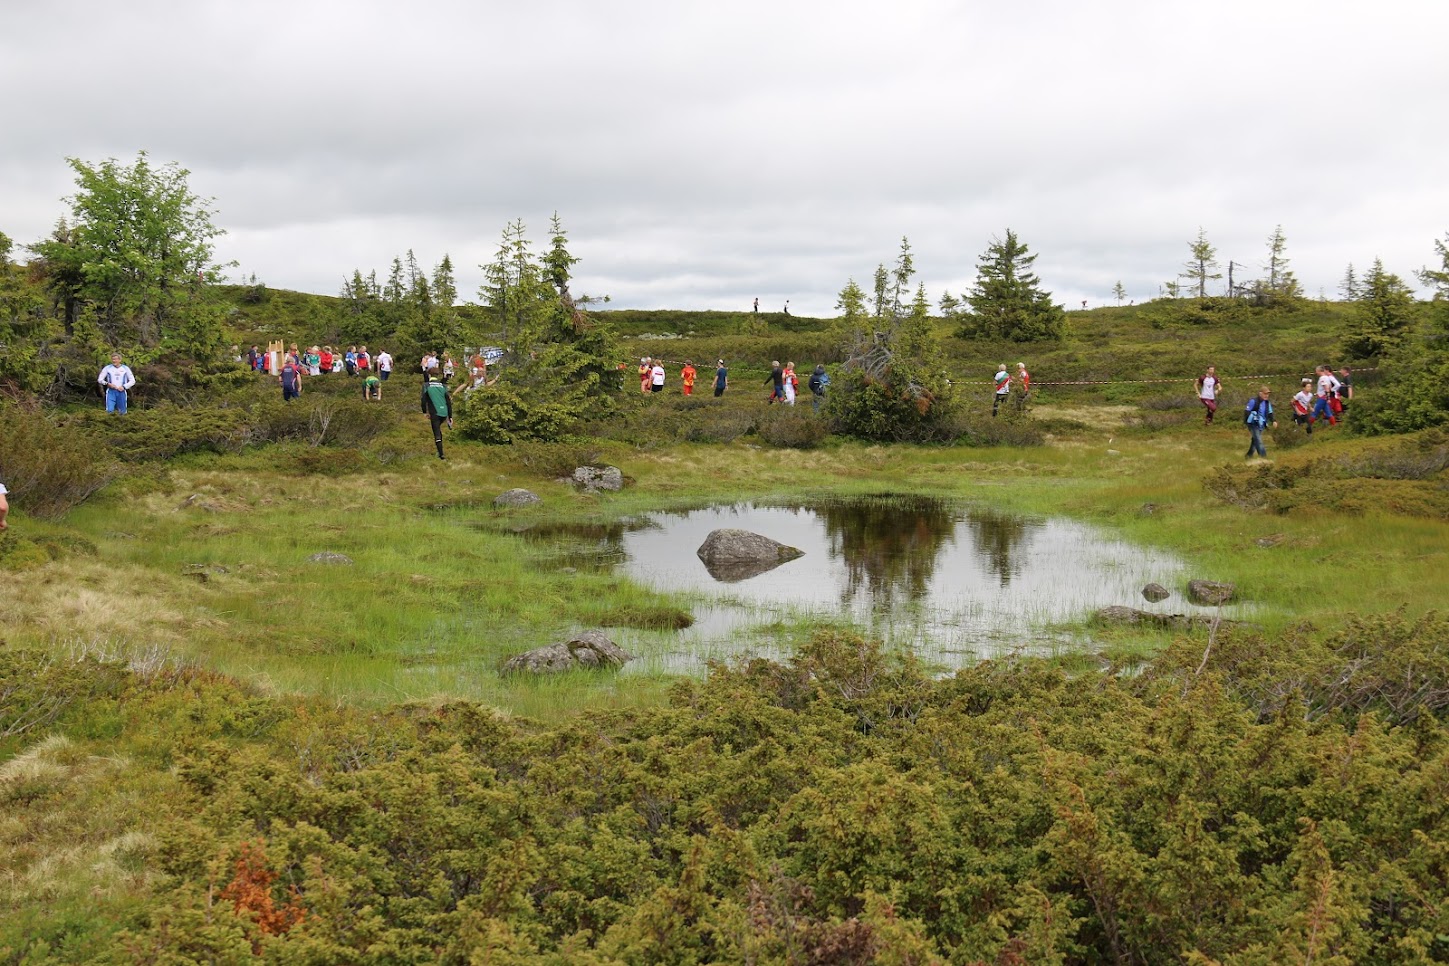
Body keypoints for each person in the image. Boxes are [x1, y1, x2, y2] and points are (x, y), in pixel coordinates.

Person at [420, 371, 453, 459]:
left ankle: (441, 455)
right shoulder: (443, 385)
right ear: (437, 376)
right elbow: (448, 402)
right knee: (438, 430)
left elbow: (423, 400)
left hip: (434, 412)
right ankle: (440, 451)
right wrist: (450, 416)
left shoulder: (426, 385)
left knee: (436, 432)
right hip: (444, 412)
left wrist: (424, 412)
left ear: (429, 375)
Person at [1244, 385, 1275, 459]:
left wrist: (1274, 421)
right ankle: (1263, 458)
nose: (1266, 395)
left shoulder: (1267, 403)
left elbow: (1270, 413)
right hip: (1253, 424)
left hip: (1261, 424)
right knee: (1259, 440)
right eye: (1265, 394)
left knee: (1255, 441)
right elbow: (1247, 412)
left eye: (1268, 394)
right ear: (1260, 393)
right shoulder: (1253, 401)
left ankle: (1248, 456)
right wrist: (1252, 420)